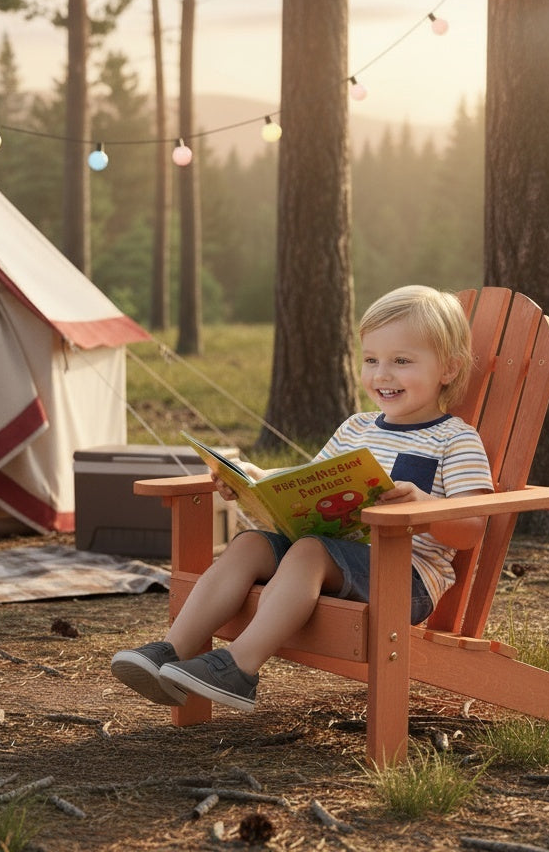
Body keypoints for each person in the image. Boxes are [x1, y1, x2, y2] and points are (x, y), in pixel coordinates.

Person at [111, 284, 493, 712]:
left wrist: (423, 507)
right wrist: (254, 479)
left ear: (449, 368)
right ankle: (170, 652)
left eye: (401, 361)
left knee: (310, 551)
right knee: (251, 544)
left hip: (403, 577)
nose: (381, 375)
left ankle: (239, 668)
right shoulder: (356, 428)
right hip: (333, 557)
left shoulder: (455, 440)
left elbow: (472, 528)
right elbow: (311, 481)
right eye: (371, 360)